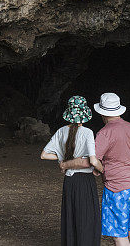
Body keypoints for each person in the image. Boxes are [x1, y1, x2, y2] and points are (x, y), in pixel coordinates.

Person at [64, 92, 130, 246]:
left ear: (102, 113)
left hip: (117, 189)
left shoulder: (105, 133)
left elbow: (90, 161)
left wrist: (67, 164)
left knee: (118, 234)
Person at [41, 95, 104, 246]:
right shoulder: (87, 132)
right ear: (85, 114)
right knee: (87, 219)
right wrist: (101, 170)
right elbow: (93, 160)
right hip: (85, 181)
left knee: (71, 218)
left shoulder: (61, 131)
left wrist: (62, 160)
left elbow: (44, 155)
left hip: (69, 181)